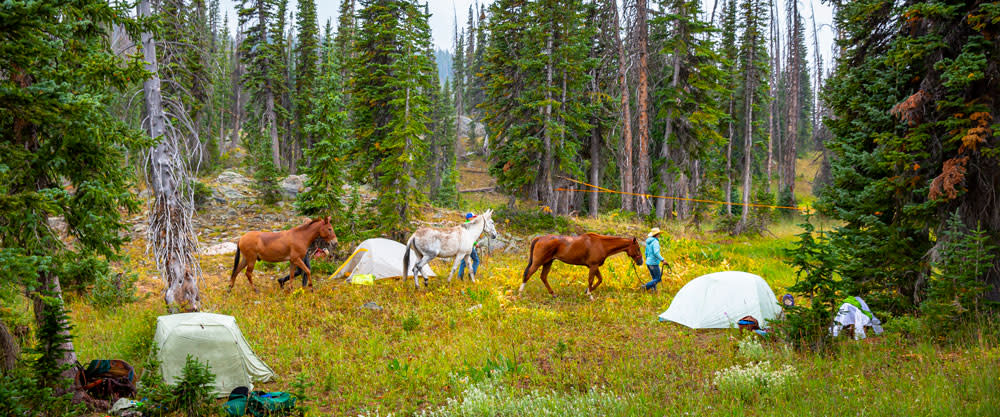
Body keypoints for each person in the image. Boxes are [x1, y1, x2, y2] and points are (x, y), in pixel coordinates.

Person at [458, 212, 480, 279]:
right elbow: (469, 237)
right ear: (469, 218)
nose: (474, 218)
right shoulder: (469, 225)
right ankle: (471, 275)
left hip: (462, 246)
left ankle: (460, 277)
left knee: (463, 262)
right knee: (476, 260)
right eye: (473, 217)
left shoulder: (463, 225)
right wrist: (475, 244)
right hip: (469, 246)